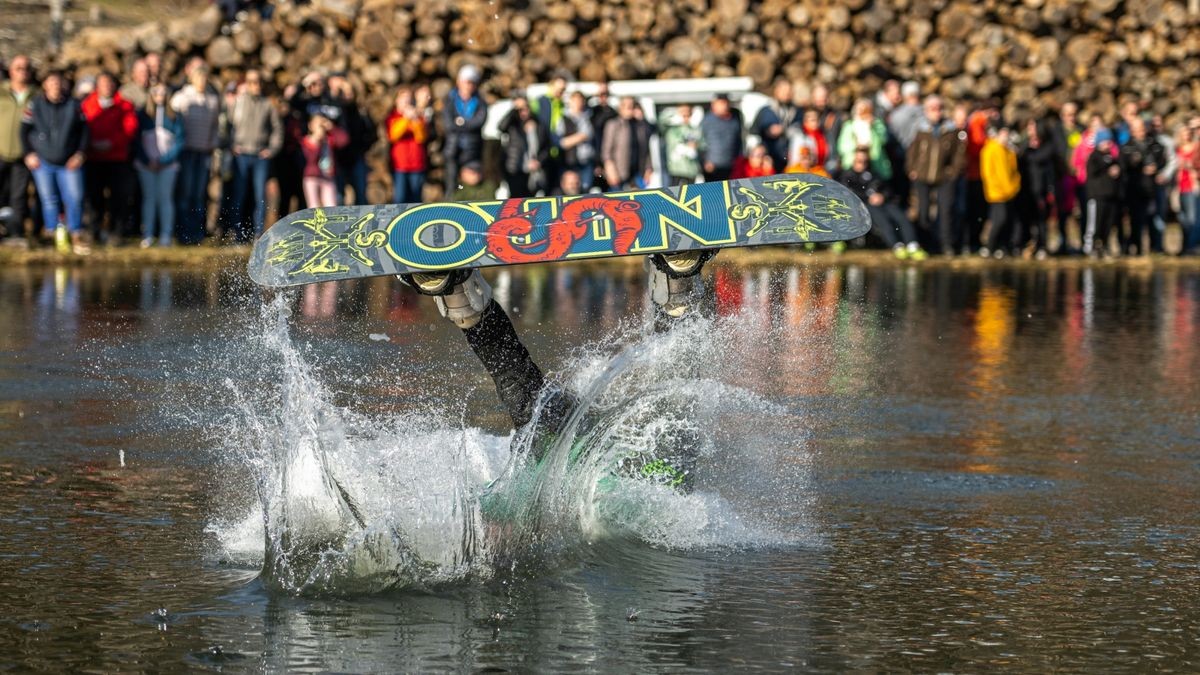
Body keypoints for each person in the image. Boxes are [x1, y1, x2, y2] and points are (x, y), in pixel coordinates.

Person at [396, 248, 715, 487]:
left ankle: (460, 295)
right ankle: (677, 285)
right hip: (600, 447)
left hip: (568, 441)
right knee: (675, 410)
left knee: (522, 394)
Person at [21, 70, 88, 253]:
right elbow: (24, 131)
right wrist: (29, 154)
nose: (55, 86)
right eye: (51, 82)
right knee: (48, 200)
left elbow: (84, 131)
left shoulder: (74, 105)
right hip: (44, 161)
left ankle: (76, 234)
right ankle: (52, 235)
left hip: (69, 162)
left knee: (74, 198)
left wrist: (80, 154)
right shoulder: (35, 104)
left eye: (58, 82)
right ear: (45, 85)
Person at [81, 71, 138, 244]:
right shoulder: (87, 104)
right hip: (93, 158)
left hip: (117, 159)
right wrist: (91, 143)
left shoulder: (125, 105)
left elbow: (130, 128)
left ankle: (117, 232)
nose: (107, 86)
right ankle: (93, 231)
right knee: (93, 197)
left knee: (119, 198)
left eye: (110, 83)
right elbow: (82, 127)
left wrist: (111, 143)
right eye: (103, 83)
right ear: (97, 86)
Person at [226, 69, 283, 240]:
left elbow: (277, 130)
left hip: (260, 156)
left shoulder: (267, 105)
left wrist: (272, 149)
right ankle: (238, 233)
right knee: (239, 195)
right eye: (251, 82)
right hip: (241, 155)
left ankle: (258, 233)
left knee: (260, 196)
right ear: (246, 84)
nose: (255, 86)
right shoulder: (238, 103)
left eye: (258, 82)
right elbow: (227, 126)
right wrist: (231, 145)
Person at [906, 95, 965, 255]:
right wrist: (912, 169)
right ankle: (924, 243)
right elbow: (912, 151)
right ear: (926, 111)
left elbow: (959, 155)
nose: (936, 112)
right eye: (932, 109)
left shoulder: (950, 130)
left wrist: (952, 172)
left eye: (939, 109)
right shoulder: (920, 129)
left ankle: (946, 244)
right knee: (923, 211)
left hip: (944, 177)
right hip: (922, 176)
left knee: (945, 211)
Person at [840, 147, 923, 259]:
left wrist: (882, 196)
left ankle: (913, 245)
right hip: (864, 206)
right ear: (854, 160)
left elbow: (887, 189)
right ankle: (897, 246)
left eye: (864, 160)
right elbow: (848, 194)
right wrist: (867, 198)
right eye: (859, 160)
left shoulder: (873, 173)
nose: (862, 163)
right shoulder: (848, 176)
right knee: (883, 220)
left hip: (884, 202)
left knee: (901, 216)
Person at [170, 62, 221, 244]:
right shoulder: (181, 98)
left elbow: (216, 127)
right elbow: (173, 124)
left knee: (199, 194)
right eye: (199, 78)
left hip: (204, 152)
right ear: (192, 79)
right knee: (186, 192)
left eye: (205, 78)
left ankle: (197, 233)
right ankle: (183, 233)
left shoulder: (212, 100)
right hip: (186, 152)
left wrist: (212, 144)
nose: (202, 81)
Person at [133, 83, 183, 247]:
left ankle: (166, 235)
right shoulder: (142, 115)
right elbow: (136, 141)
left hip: (168, 166)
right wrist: (148, 161)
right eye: (156, 92)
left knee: (165, 198)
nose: (159, 96)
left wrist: (164, 160)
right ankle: (147, 234)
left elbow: (179, 141)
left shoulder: (174, 116)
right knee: (149, 198)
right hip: (146, 165)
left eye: (163, 92)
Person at [1, 55, 37, 242]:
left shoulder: (36, 96)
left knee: (18, 197)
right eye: (18, 68)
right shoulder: (1, 92)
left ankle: (15, 233)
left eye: (26, 68)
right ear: (10, 71)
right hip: (0, 151)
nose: (22, 72)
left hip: (22, 155)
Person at [1119, 116, 1166, 255]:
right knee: (1136, 220)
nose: (1141, 132)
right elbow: (1124, 167)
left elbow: (1162, 159)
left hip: (1152, 187)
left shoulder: (1155, 144)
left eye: (1143, 128)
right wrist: (1139, 168)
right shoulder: (1127, 147)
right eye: (1138, 129)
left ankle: (1155, 247)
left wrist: (1156, 168)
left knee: (1153, 219)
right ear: (1132, 131)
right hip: (1135, 189)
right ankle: (1136, 247)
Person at [329, 75, 376, 206]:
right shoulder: (336, 110)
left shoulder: (360, 111)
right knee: (339, 196)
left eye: (350, 91)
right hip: (338, 158)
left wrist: (363, 147)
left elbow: (371, 133)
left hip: (357, 157)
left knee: (361, 195)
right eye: (344, 92)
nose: (347, 95)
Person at [442, 64, 487, 196]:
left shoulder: (479, 101)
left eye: (472, 83)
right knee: (452, 183)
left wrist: (460, 122)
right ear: (459, 82)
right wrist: (466, 124)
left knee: (470, 183)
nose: (469, 86)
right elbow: (448, 124)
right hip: (453, 148)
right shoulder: (450, 100)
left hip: (472, 149)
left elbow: (479, 121)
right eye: (466, 82)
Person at [980, 125, 1022, 258]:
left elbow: (1013, 171)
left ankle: (1001, 246)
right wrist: (998, 188)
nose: (1006, 137)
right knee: (999, 219)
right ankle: (989, 246)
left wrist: (1014, 186)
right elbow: (987, 173)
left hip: (1010, 192)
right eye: (1003, 134)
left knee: (1008, 220)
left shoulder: (1008, 151)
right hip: (997, 193)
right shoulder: (990, 149)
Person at [498, 95, 549, 198]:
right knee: (517, 200)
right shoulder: (513, 125)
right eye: (520, 109)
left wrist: (539, 161)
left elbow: (546, 147)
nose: (524, 111)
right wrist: (514, 109)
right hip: (515, 169)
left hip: (534, 171)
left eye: (526, 107)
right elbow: (501, 127)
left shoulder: (538, 124)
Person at [385, 87, 429, 204]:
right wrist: (406, 119)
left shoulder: (418, 117)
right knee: (400, 199)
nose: (406, 101)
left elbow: (421, 138)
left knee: (416, 199)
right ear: (396, 100)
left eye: (408, 99)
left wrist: (414, 120)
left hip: (417, 164)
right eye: (403, 98)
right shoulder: (392, 117)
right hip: (400, 166)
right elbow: (394, 135)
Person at [1084, 129, 1121, 257]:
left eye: (1109, 141)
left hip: (1110, 195)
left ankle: (1103, 246)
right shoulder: (1094, 156)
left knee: (1108, 223)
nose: (1107, 144)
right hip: (1097, 195)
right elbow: (1093, 173)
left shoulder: (1112, 157)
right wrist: (1108, 171)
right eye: (1105, 141)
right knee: (1095, 223)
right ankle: (1091, 247)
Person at [602, 96, 652, 190]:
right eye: (627, 106)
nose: (630, 108)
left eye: (632, 106)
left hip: (638, 172)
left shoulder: (640, 126)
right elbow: (606, 150)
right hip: (619, 171)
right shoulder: (613, 124)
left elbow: (646, 149)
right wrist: (610, 169)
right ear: (620, 108)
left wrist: (648, 168)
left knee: (639, 202)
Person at [299, 113, 348, 209]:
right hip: (312, 177)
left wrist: (332, 127)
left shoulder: (328, 139)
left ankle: (331, 224)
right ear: (310, 126)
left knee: (331, 206)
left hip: (327, 177)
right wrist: (316, 141)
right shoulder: (306, 141)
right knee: (314, 207)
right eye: (318, 123)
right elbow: (310, 160)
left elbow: (344, 140)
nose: (321, 126)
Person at [836, 98, 891, 181]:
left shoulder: (877, 124)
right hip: (853, 164)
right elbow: (842, 147)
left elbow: (883, 140)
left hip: (874, 163)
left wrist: (872, 127)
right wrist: (856, 145)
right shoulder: (849, 126)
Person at [749, 79, 798, 171]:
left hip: (789, 161)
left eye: (789, 91)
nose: (786, 94)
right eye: (783, 91)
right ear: (776, 91)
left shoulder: (796, 112)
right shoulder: (765, 111)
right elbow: (753, 133)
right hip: (768, 160)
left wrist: (784, 131)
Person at [699, 93, 742, 183]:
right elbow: (700, 142)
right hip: (713, 167)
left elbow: (738, 141)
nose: (724, 106)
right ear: (713, 105)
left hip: (732, 166)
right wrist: (705, 161)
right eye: (721, 103)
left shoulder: (735, 119)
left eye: (726, 103)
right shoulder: (707, 121)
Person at [559, 91, 595, 191]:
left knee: (585, 189)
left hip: (586, 161)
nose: (578, 103)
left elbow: (590, 135)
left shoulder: (590, 117)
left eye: (580, 101)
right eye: (575, 101)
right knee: (570, 191)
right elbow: (561, 142)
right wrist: (581, 136)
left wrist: (572, 139)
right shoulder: (563, 119)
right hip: (569, 162)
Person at [659, 104, 702, 186]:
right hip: (675, 170)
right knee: (673, 195)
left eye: (688, 114)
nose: (685, 117)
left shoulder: (695, 129)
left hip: (691, 170)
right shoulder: (671, 129)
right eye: (683, 114)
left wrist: (696, 145)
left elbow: (703, 145)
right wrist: (674, 112)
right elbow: (661, 120)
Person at [1176, 124, 1200, 255]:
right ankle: (1184, 246)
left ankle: (1192, 246)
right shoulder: (1177, 149)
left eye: (1188, 133)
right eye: (1184, 133)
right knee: (1182, 219)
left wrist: (1189, 165)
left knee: (1192, 219)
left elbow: (1196, 165)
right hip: (1179, 187)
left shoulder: (1196, 148)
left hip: (1191, 186)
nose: (1187, 135)